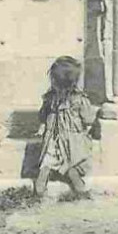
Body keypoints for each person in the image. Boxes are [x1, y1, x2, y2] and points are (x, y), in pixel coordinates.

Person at [34, 56, 94, 200]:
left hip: (53, 142)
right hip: (72, 143)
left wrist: (45, 123)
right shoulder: (80, 100)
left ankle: (39, 192)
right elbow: (88, 119)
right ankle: (82, 193)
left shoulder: (50, 99)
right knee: (72, 168)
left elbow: (42, 116)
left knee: (45, 166)